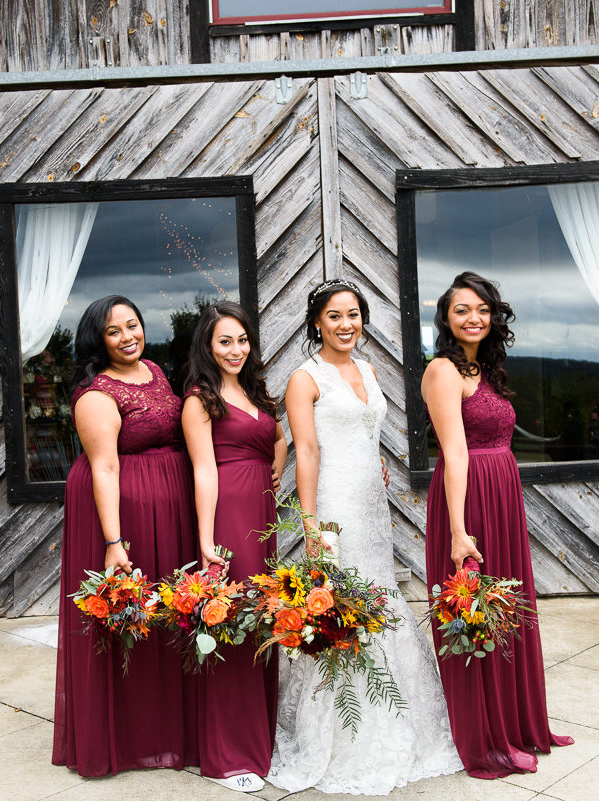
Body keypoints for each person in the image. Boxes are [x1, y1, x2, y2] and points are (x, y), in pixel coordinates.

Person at [268, 279, 463, 795]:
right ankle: (339, 735)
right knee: (341, 608)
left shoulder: (369, 369)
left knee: (379, 600)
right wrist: (311, 525)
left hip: (373, 508)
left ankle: (401, 722)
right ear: (316, 323)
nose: (346, 324)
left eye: (353, 314)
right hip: (334, 508)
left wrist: (372, 459)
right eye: (334, 316)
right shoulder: (304, 379)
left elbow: (365, 431)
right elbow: (307, 452)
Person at [421, 271, 574, 779]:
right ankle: (483, 735)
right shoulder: (442, 371)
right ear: (445, 317)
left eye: (483, 309)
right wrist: (459, 531)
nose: (474, 318)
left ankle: (516, 722)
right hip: (469, 502)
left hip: (502, 496)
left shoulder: (485, 370)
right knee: (476, 612)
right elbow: (455, 451)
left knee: (509, 609)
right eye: (463, 309)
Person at [51, 295, 198, 776]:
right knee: (129, 617)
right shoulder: (96, 394)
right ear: (98, 339)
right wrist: (114, 543)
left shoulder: (155, 371)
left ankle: (167, 728)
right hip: (123, 515)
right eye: (114, 331)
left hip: (167, 508)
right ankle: (126, 736)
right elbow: (105, 465)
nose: (128, 336)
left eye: (132, 325)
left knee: (168, 615)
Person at [180, 301, 287, 794]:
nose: (236, 349)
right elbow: (203, 470)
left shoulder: (253, 391)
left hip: (261, 518)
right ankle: (229, 753)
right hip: (228, 514)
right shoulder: (200, 400)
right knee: (233, 623)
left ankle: (258, 737)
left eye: (242, 340)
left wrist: (276, 468)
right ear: (207, 345)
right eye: (225, 341)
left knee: (262, 618)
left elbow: (278, 439)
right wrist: (206, 540)